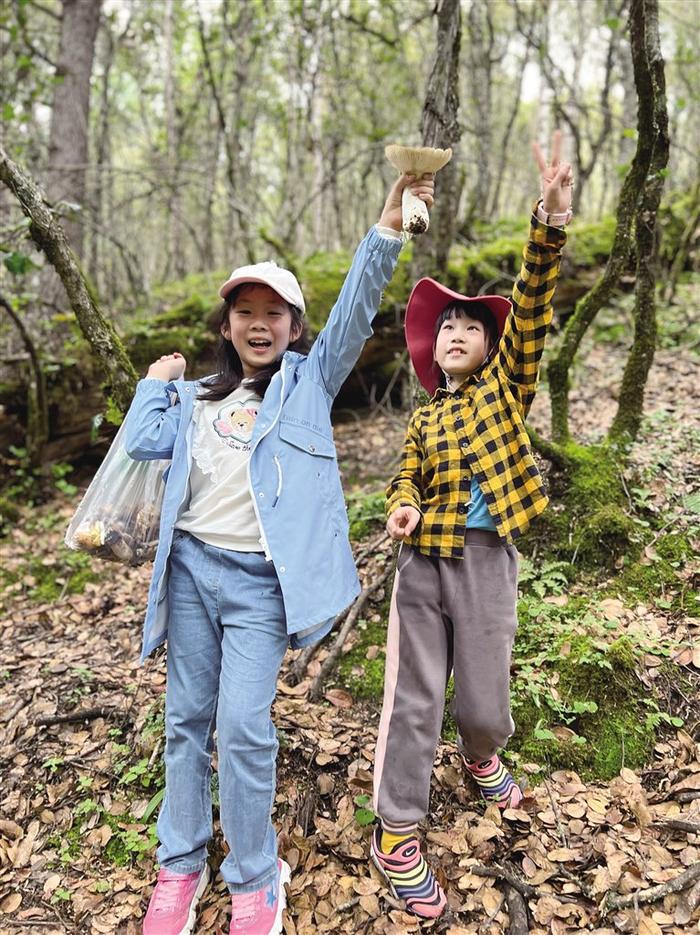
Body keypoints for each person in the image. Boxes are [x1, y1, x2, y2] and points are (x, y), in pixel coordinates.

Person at [124, 171, 435, 935]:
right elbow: (139, 444)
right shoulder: (199, 397)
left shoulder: (308, 384)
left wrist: (386, 228)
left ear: (295, 326)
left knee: (243, 725)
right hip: (192, 573)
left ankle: (257, 875)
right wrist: (154, 385)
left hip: (262, 585)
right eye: (244, 312)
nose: (257, 324)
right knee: (185, 720)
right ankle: (179, 862)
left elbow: (357, 313)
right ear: (226, 325)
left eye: (273, 313)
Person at [370, 132, 573, 920]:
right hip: (423, 561)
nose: (456, 331)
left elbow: (531, 307)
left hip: (488, 559)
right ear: (432, 348)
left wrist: (548, 222)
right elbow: (406, 474)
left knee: (483, 702)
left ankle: (481, 753)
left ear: (489, 349)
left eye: (470, 326)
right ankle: (397, 832)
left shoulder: (503, 389)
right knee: (413, 697)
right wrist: (401, 501)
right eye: (444, 326)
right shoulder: (425, 417)